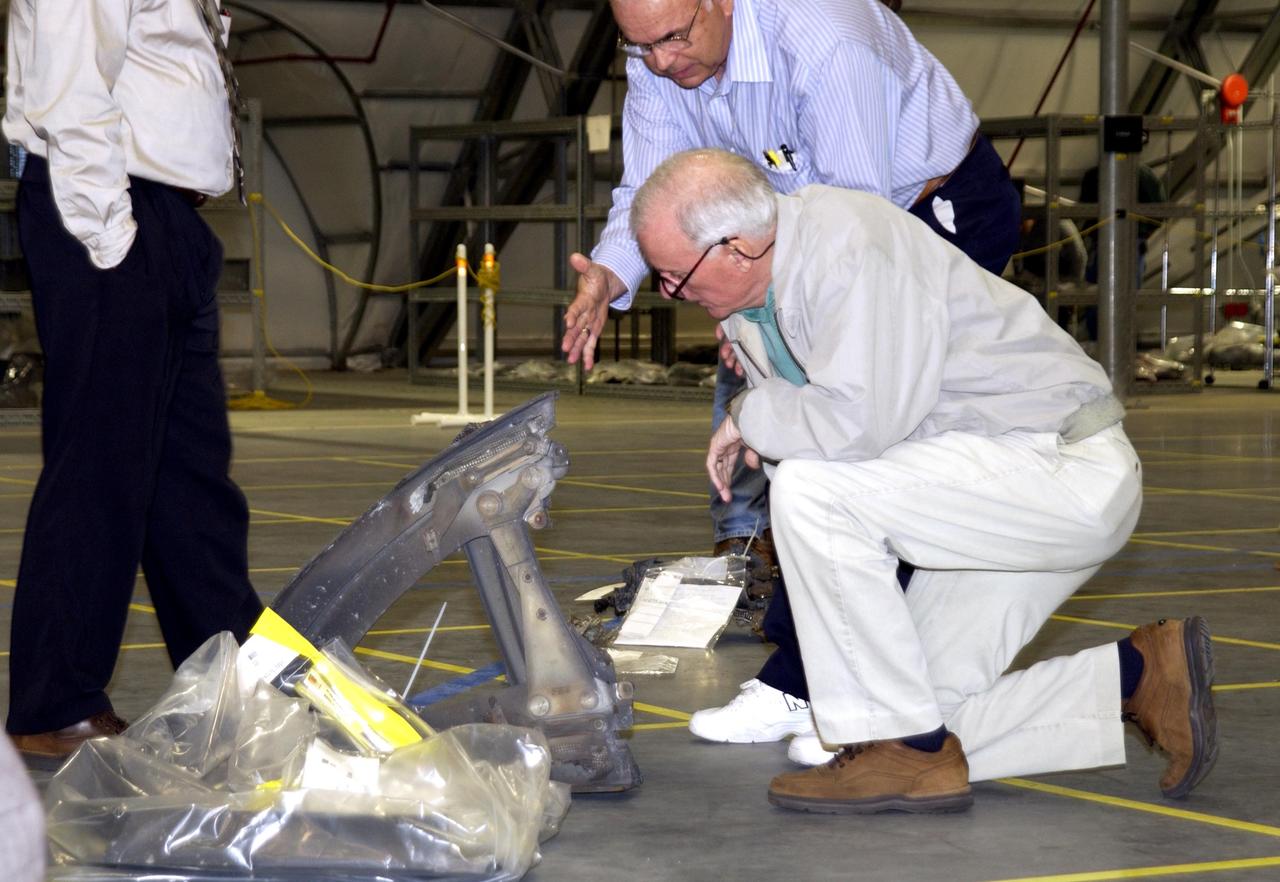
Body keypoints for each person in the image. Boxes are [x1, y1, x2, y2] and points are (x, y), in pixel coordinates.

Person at [630, 148, 1218, 813]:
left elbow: (856, 424)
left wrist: (747, 412)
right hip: (978, 494)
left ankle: (894, 748)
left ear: (735, 249)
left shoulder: (851, 247)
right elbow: (817, 427)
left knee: (814, 495)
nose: (671, 293)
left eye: (673, 276)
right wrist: (768, 411)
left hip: (1059, 468)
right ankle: (1139, 675)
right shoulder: (750, 307)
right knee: (928, 721)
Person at [557, 0, 1022, 760]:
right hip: (786, 239)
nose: (663, 63)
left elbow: (858, 216)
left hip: (930, 212)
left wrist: (766, 304)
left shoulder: (827, 38)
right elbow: (652, 190)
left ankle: (828, 687)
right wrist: (611, 273)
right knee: (810, 440)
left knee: (871, 436)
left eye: (674, 38)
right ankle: (813, 678)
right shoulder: (657, 53)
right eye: (640, 49)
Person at [3, 0, 264, 766]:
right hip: (113, 212)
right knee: (102, 467)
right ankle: (56, 702)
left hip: (165, 218)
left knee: (189, 476)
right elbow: (66, 78)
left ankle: (230, 673)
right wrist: (111, 236)